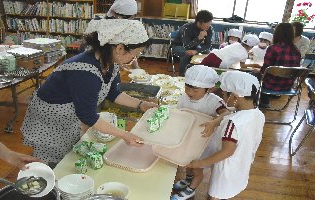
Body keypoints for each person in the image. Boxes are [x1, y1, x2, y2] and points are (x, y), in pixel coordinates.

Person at [21, 19, 157, 166]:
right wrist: (125, 135)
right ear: (119, 48)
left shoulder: (111, 62)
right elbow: (88, 115)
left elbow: (112, 93)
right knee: (53, 161)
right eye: (135, 54)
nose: (134, 58)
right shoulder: (85, 72)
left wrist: (141, 104)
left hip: (70, 113)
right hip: (50, 118)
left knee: (69, 152)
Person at [174, 71, 265, 200]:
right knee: (230, 187)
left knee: (215, 194)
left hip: (226, 167)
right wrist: (215, 122)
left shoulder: (232, 123)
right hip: (242, 160)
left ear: (234, 97)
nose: (222, 96)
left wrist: (200, 163)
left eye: (223, 94)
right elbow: (230, 113)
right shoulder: (257, 114)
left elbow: (227, 152)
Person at [172, 65, 230, 200]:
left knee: (197, 167)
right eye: (187, 87)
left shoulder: (214, 101)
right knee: (187, 162)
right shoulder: (183, 97)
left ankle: (191, 189)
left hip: (204, 141)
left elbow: (226, 113)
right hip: (187, 138)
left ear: (208, 89)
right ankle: (188, 179)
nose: (190, 92)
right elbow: (179, 113)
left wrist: (214, 122)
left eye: (195, 90)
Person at [255, 23, 301, 108]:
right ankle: (264, 102)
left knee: (254, 75)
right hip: (287, 86)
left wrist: (258, 71)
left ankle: (261, 102)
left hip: (270, 84)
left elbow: (265, 70)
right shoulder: (297, 51)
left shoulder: (273, 48)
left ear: (277, 34)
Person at [172, 10, 214, 76]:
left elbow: (208, 45)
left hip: (195, 47)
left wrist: (196, 51)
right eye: (207, 25)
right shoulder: (186, 28)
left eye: (210, 24)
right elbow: (186, 47)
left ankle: (201, 74)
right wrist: (198, 38)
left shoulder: (209, 28)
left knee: (208, 52)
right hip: (178, 46)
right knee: (187, 53)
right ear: (199, 22)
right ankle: (181, 76)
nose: (209, 26)